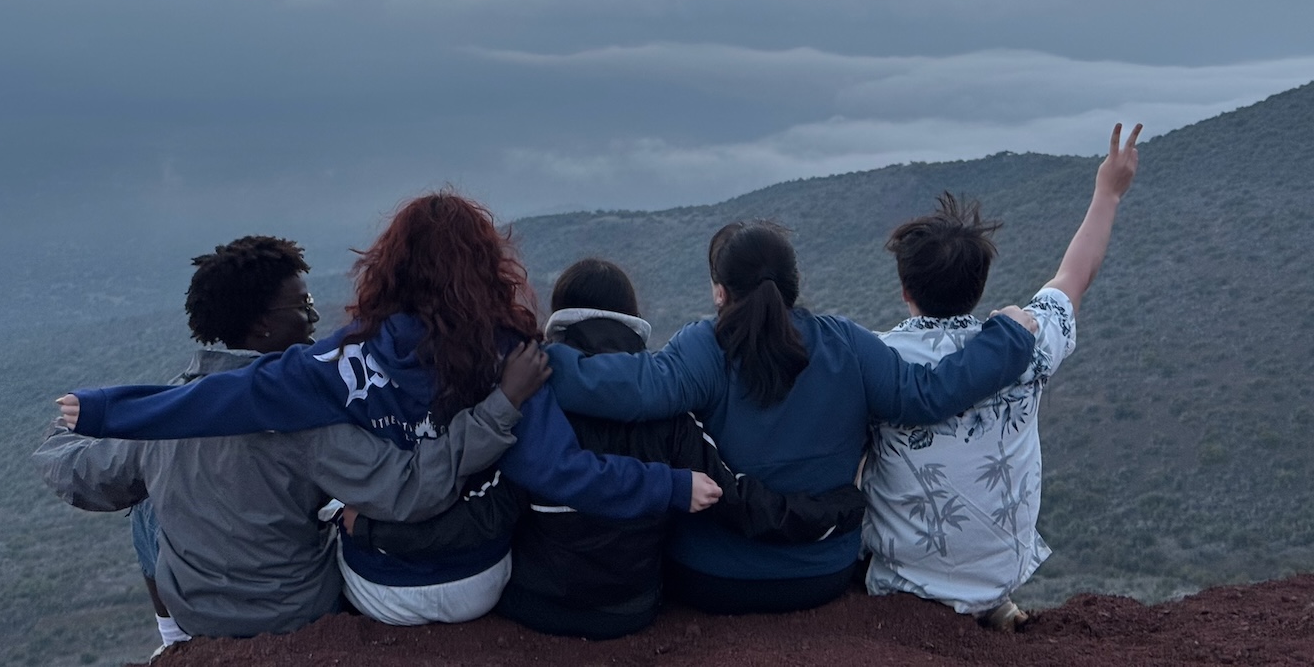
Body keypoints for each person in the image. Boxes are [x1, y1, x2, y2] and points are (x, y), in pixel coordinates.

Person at [57, 193, 721, 627]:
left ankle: (173, 635)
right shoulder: (511, 354)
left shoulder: (343, 359)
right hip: (482, 582)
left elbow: (225, 395)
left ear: (388, 267)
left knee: (226, 505)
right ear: (488, 264)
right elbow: (556, 471)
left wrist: (101, 411)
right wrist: (670, 484)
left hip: (381, 592)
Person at [35, 235, 547, 644]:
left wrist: (67, 426)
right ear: (261, 327)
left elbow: (83, 479)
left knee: (144, 505)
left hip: (198, 611)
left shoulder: (168, 411)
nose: (314, 318)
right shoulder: (308, 417)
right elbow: (410, 490)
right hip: (297, 611)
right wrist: (498, 409)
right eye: (301, 305)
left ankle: (171, 638)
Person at [347, 257, 870, 639]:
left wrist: (369, 529)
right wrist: (838, 509)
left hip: (538, 607)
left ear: (560, 320)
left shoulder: (528, 399)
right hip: (635, 609)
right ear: (633, 318)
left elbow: (483, 518)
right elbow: (734, 501)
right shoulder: (670, 410)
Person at [544, 221, 1039, 615]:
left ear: (720, 292)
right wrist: (1009, 337)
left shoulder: (705, 346)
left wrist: (536, 358)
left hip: (710, 577)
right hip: (818, 573)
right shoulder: (846, 344)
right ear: (795, 284)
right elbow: (929, 394)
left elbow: (631, 389)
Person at [860, 123, 1142, 629]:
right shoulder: (1025, 342)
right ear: (979, 283)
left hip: (903, 587)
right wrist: (1108, 192)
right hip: (997, 574)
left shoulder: (877, 359)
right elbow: (1074, 276)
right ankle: (992, 606)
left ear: (906, 288)